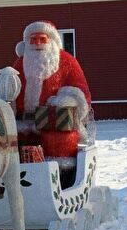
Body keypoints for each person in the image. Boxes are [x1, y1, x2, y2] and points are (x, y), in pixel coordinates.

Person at [12, 20, 91, 158]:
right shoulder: (20, 63)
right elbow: (12, 88)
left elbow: (80, 90)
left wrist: (67, 100)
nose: (37, 43)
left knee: (60, 139)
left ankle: (60, 173)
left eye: (42, 39)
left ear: (51, 40)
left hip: (54, 122)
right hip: (22, 123)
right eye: (33, 39)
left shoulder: (67, 61)